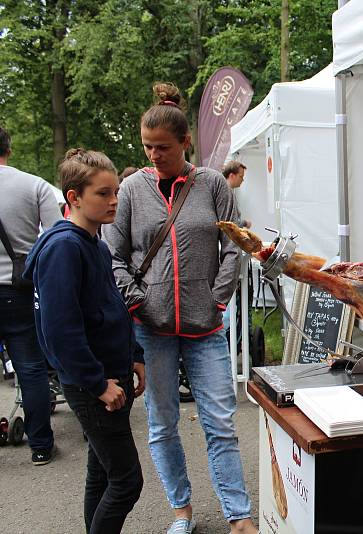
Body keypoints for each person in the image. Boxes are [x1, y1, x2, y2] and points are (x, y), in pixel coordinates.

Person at [103, 82, 258, 534]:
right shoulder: (132, 189)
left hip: (205, 326)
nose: (154, 155)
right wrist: (137, 300)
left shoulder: (211, 184)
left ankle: (239, 515)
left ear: (185, 143)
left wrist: (217, 297)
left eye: (163, 148)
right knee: (162, 424)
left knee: (220, 423)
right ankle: (180, 511)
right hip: (152, 329)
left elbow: (234, 245)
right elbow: (113, 255)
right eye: (148, 147)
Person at [23, 148, 145, 533]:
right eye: (103, 194)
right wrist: (96, 383)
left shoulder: (95, 242)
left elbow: (112, 306)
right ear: (74, 197)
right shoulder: (64, 247)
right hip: (93, 383)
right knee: (127, 481)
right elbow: (60, 330)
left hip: (112, 372)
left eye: (115, 193)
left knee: (103, 474)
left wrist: (134, 355)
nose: (113, 202)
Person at [0, 125, 61, 465]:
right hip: (19, 289)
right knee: (31, 369)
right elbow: (55, 238)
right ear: (8, 147)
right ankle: (40, 445)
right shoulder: (33, 184)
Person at [221, 160, 251, 228]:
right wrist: (245, 223)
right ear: (231, 176)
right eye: (241, 176)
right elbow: (230, 223)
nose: (242, 180)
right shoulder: (226, 194)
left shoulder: (227, 192)